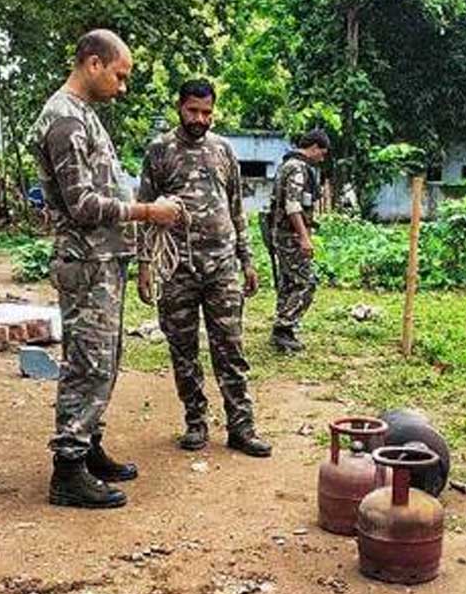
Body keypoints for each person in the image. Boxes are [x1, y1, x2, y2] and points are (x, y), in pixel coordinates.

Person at [28, 29, 182, 509]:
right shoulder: (64, 123)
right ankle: (68, 470)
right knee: (87, 363)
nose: (123, 85)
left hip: (104, 259)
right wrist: (147, 212)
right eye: (120, 75)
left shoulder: (85, 118)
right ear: (93, 64)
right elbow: (82, 204)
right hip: (86, 262)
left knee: (106, 361)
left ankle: (89, 446)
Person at [136, 79, 271, 457]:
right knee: (183, 348)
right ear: (179, 107)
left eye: (207, 112)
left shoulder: (223, 149)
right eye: (193, 111)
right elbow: (145, 210)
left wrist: (247, 260)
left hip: (223, 267)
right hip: (176, 266)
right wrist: (145, 265)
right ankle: (195, 422)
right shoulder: (160, 151)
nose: (200, 119)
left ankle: (241, 427)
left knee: (230, 348)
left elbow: (237, 209)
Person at [267, 129, 330, 352]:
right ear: (313, 147)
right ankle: (284, 327)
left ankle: (283, 330)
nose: (321, 158)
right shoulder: (297, 168)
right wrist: (304, 237)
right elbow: (292, 205)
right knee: (306, 282)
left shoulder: (287, 164)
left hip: (281, 233)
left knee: (288, 283)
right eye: (321, 153)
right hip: (290, 235)